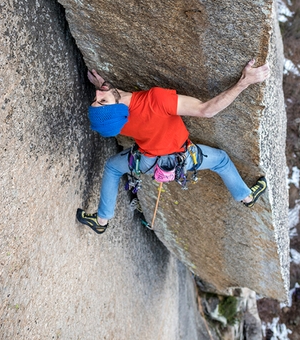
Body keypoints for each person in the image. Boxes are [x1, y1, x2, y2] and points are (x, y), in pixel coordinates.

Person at [77, 60, 270, 234]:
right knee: (220, 160)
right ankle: (247, 197)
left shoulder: (119, 121)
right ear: (117, 108)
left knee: (112, 167)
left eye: (98, 98)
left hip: (146, 163)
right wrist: (243, 82)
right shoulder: (155, 101)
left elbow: (116, 105)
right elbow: (206, 110)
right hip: (182, 159)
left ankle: (102, 221)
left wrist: (104, 87)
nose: (98, 93)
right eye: (101, 99)